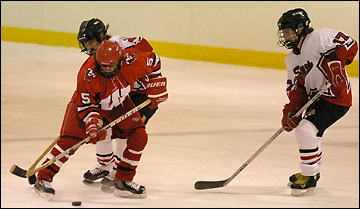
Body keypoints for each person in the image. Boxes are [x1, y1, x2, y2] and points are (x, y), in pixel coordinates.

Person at [34, 39, 168, 199]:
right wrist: (92, 124)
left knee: (139, 136)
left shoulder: (132, 61)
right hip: (89, 104)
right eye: (103, 65)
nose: (106, 69)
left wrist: (156, 83)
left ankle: (123, 181)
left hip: (119, 101)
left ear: (120, 60)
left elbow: (154, 60)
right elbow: (87, 105)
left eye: (110, 65)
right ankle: (43, 177)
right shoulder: (87, 75)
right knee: (70, 141)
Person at [277, 8, 358, 196]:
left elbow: (350, 43)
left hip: (337, 97)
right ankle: (311, 170)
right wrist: (292, 111)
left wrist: (338, 62)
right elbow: (297, 89)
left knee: (307, 130)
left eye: (288, 31)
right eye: (284, 33)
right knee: (310, 132)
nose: (286, 36)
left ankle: (310, 176)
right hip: (318, 98)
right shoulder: (291, 60)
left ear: (300, 28)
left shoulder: (320, 37)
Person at [76, 18, 162, 192]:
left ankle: (118, 172)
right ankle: (104, 165)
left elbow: (153, 57)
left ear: (101, 37)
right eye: (85, 43)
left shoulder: (119, 45)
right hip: (121, 92)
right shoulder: (100, 56)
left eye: (91, 41)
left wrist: (156, 82)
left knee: (126, 133)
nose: (88, 46)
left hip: (141, 95)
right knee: (104, 126)